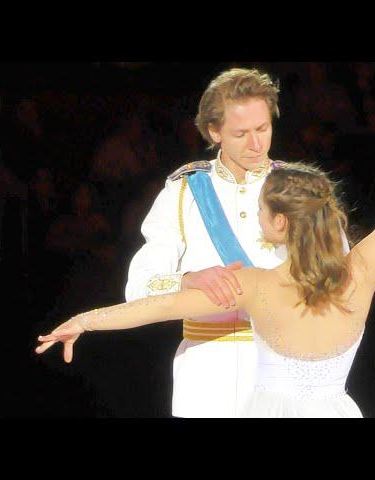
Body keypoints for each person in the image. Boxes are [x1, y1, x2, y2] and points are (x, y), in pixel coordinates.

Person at [36, 88, 375, 417]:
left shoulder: (257, 288)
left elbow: (154, 308)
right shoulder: (363, 270)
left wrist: (84, 321)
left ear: (280, 224)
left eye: (264, 208)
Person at [122, 68, 290, 417]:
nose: (256, 144)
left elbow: (338, 277)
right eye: (241, 134)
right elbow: (137, 288)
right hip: (206, 378)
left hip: (285, 370)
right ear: (214, 131)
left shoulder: (299, 190)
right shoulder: (183, 194)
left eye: (263, 129)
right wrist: (187, 280)